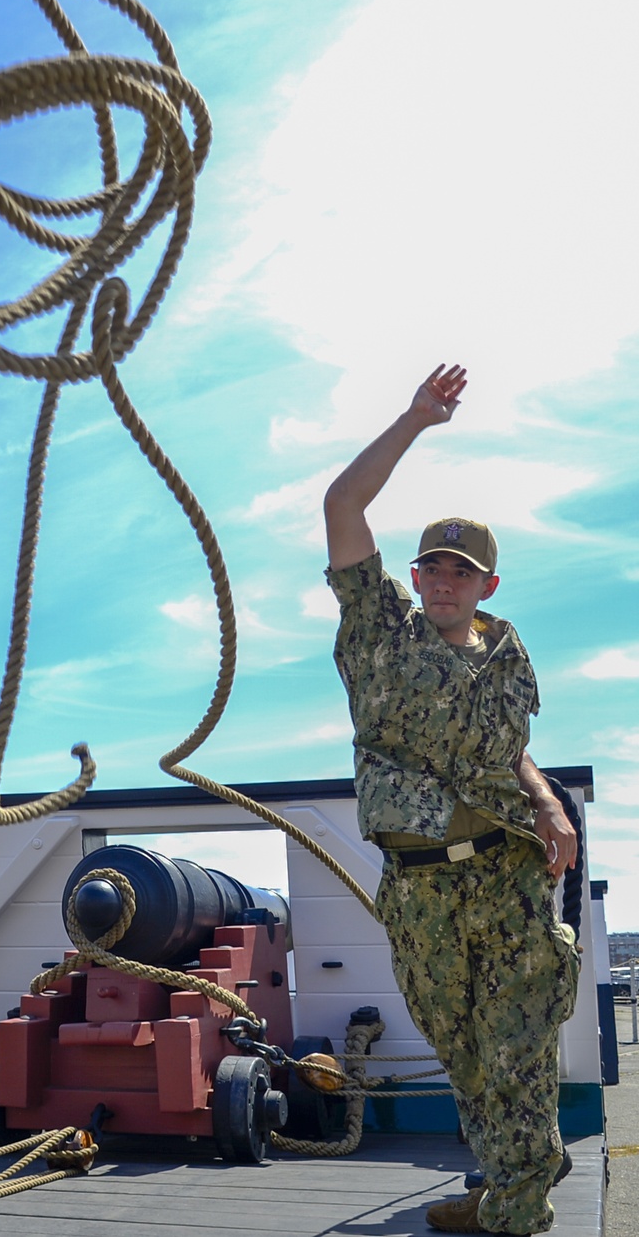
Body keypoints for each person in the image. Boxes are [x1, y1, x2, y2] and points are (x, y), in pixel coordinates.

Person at [323, 364, 580, 1237]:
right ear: (416, 572)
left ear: (486, 587)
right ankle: (511, 1171)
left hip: (506, 875)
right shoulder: (378, 634)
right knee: (464, 1051)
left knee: (521, 1041)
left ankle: (517, 1202)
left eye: (461, 572)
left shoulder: (507, 659)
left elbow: (511, 753)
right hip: (423, 887)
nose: (443, 581)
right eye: (433, 566)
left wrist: (546, 804)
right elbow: (341, 508)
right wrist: (412, 421)